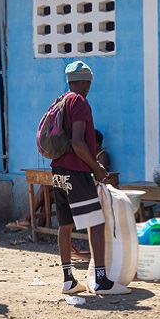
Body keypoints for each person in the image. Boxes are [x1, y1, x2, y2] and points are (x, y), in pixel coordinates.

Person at [50, 61, 128, 294]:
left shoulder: (60, 101)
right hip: (76, 171)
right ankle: (101, 281)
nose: (89, 88)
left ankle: (68, 280)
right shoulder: (79, 102)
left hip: (58, 171)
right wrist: (96, 168)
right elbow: (77, 141)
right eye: (89, 84)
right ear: (84, 81)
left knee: (65, 225)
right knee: (96, 222)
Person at [7, 128, 110, 231]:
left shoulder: (103, 156)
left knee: (46, 193)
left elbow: (96, 176)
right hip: (75, 185)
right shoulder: (86, 155)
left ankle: (27, 219)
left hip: (87, 189)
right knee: (45, 190)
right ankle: (37, 228)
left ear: (96, 144)